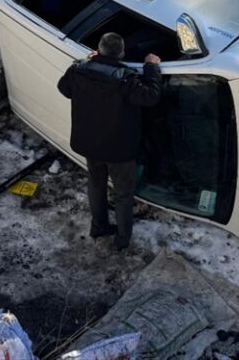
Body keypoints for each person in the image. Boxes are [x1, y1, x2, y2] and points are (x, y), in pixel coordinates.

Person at [57, 32, 162, 251]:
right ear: (122, 53)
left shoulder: (79, 69)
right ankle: (122, 240)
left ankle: (98, 227)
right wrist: (151, 67)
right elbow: (150, 96)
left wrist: (87, 61)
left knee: (96, 184)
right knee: (123, 194)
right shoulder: (125, 79)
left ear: (98, 49)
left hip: (90, 144)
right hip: (119, 150)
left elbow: (64, 88)